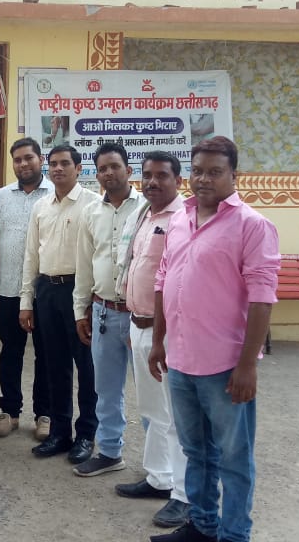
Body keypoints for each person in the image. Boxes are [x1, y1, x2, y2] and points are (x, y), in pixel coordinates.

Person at [149, 137, 280, 542]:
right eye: (198, 171)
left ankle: (234, 535)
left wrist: (247, 365)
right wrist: (158, 342)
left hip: (224, 366)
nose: (204, 179)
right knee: (196, 452)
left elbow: (262, 297)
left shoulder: (252, 226)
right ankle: (203, 526)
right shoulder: (180, 219)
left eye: (215, 172)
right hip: (180, 361)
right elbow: (163, 280)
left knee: (234, 459)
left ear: (234, 175)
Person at [116, 151, 192, 529]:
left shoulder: (184, 218)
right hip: (139, 324)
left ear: (178, 180)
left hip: (167, 331)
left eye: (162, 175)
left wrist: (159, 335)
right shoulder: (144, 215)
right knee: (152, 410)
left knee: (177, 415)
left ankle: (184, 494)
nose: (152, 182)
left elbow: (177, 281)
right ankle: (160, 478)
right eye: (147, 175)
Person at [19, 145, 96, 463]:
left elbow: (98, 254)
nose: (58, 169)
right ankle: (60, 432)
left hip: (80, 290)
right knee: (55, 366)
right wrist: (26, 301)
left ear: (79, 168)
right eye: (53, 164)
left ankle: (87, 434)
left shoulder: (92, 204)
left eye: (65, 163)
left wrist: (90, 301)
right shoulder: (41, 206)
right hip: (47, 291)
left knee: (87, 367)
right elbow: (31, 256)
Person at [71, 143, 144, 477]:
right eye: (102, 168)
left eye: (115, 166)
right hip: (103, 313)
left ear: (128, 170)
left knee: (153, 393)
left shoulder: (147, 209)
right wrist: (80, 311)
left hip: (141, 316)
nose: (109, 173)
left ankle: (163, 469)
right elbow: (84, 265)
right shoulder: (91, 213)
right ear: (96, 174)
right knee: (106, 390)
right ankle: (110, 452)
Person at [0, 137, 54, 439]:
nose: (23, 164)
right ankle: (10, 412)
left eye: (29, 158)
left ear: (41, 159)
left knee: (46, 354)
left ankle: (44, 415)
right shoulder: (0, 198)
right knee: (10, 352)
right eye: (18, 159)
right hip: (8, 288)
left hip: (45, 291)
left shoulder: (54, 194)